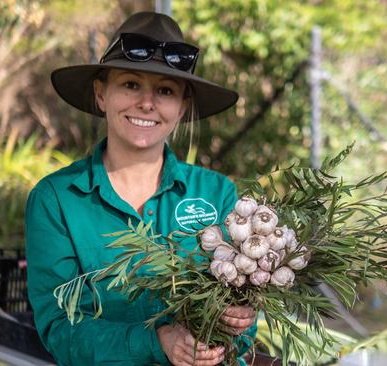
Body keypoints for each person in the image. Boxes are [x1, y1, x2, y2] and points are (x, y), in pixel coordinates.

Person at [25, 12, 257, 366]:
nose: (147, 103)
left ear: (182, 107)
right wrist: (157, 341)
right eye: (131, 84)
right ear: (102, 94)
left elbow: (243, 328)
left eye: (165, 90)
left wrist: (235, 323)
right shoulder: (56, 200)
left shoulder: (218, 194)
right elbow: (61, 330)